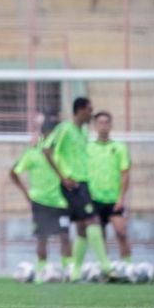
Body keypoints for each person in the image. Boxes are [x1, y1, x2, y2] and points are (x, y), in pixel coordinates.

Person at [43, 97, 113, 281]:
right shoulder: (64, 128)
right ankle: (106, 266)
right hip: (72, 184)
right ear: (80, 110)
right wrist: (62, 176)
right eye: (90, 110)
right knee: (93, 220)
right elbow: (46, 149)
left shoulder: (83, 131)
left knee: (82, 227)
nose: (91, 113)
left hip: (83, 183)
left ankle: (75, 273)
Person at [10, 120, 72, 282]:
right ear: (44, 134)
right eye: (52, 134)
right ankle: (40, 271)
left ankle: (68, 272)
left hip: (60, 202)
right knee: (42, 238)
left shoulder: (61, 154)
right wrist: (26, 193)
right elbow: (14, 172)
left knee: (65, 236)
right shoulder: (32, 154)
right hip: (40, 202)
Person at [87, 111, 132, 262]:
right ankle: (105, 269)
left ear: (111, 125)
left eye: (106, 122)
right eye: (100, 123)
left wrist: (121, 198)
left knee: (121, 232)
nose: (103, 126)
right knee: (100, 236)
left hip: (114, 199)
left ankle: (128, 266)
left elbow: (125, 173)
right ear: (95, 126)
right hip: (95, 199)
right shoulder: (88, 148)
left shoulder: (119, 147)